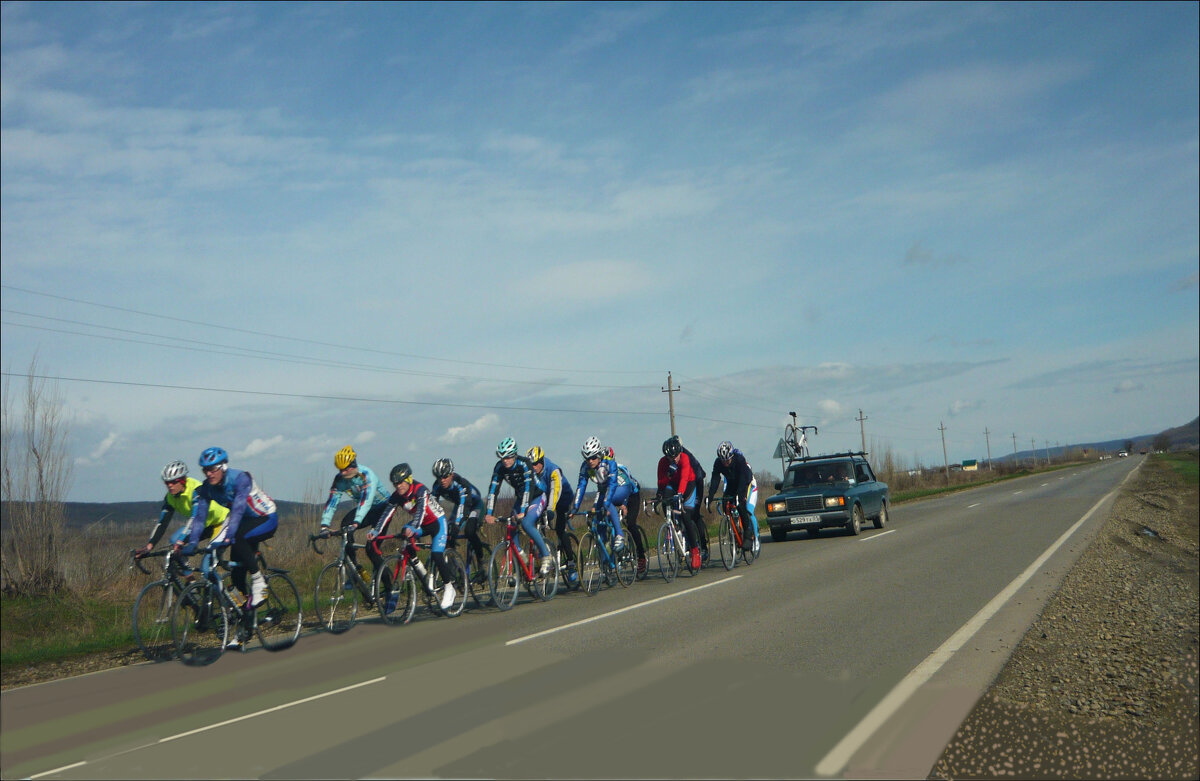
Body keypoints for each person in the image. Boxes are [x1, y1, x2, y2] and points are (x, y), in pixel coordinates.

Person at [175, 447, 278, 610]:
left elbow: (238, 510)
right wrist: (193, 543)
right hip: (244, 523)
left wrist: (229, 537)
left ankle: (259, 583)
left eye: (212, 469)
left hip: (266, 518)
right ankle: (244, 614)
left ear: (223, 467)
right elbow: (200, 518)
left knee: (237, 538)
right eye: (205, 470)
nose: (209, 474)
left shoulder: (240, 478)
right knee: (237, 572)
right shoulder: (207, 488)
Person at [381, 463, 457, 611]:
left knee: (436, 554)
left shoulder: (420, 489)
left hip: (437, 522)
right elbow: (386, 514)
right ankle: (421, 570)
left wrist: (414, 527)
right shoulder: (397, 496)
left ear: (408, 480)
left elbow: (421, 511)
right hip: (421, 523)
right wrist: (376, 532)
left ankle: (449, 588)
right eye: (395, 484)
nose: (398, 486)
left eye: (401, 482)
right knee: (405, 534)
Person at [316, 446, 390, 587]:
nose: (342, 473)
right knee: (345, 526)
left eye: (345, 469)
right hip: (367, 510)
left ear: (353, 466)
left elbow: (366, 501)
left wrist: (356, 523)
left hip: (383, 509)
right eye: (340, 470)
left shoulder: (367, 475)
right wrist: (324, 525)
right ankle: (356, 571)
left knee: (371, 549)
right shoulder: (340, 479)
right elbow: (332, 502)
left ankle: (389, 589)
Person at [571, 436, 646, 571]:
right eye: (587, 458)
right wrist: (575, 508)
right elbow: (581, 487)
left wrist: (617, 504)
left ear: (599, 455)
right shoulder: (586, 467)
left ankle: (620, 536)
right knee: (598, 519)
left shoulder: (609, 463)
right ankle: (606, 562)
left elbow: (611, 486)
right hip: (606, 491)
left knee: (611, 505)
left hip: (623, 488)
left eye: (593, 457)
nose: (590, 461)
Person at [483, 437, 552, 575]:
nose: (505, 461)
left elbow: (528, 487)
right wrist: (489, 513)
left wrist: (523, 511)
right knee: (511, 525)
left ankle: (546, 555)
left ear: (514, 455)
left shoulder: (524, 463)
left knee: (526, 523)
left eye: (508, 457)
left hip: (537, 496)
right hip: (521, 498)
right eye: (502, 458)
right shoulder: (499, 467)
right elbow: (493, 490)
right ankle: (521, 556)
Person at [136, 460, 229, 562]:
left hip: (220, 522)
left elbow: (195, 517)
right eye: (167, 482)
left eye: (173, 482)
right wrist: (150, 545)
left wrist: (181, 541)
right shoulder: (170, 498)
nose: (170, 485)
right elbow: (162, 523)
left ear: (183, 481)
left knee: (207, 564)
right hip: (203, 526)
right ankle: (186, 572)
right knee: (174, 542)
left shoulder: (197, 490)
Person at [430, 457, 489, 584]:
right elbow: (432, 508)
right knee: (447, 535)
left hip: (474, 505)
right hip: (460, 506)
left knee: (469, 531)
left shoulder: (460, 484)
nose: (442, 480)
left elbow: (464, 506)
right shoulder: (437, 486)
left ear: (451, 474)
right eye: (439, 477)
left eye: (445, 477)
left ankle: (482, 563)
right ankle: (457, 572)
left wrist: (457, 524)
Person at [527, 445, 578, 585]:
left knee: (560, 529)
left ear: (541, 461)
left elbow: (555, 491)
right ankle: (545, 555)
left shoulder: (553, 470)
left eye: (536, 464)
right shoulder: (531, 473)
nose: (533, 467)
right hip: (545, 498)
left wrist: (550, 509)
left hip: (563, 498)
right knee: (537, 525)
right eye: (531, 465)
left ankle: (571, 563)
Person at [657, 438, 703, 570]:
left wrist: (680, 494)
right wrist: (667, 477)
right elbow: (661, 482)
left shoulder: (684, 458)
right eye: (670, 457)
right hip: (673, 484)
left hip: (688, 484)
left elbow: (684, 478)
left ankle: (695, 551)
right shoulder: (663, 462)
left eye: (675, 456)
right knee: (666, 500)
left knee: (686, 516)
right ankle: (672, 526)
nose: (674, 459)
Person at [707, 440, 759, 553]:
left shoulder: (739, 460)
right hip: (732, 484)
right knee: (725, 504)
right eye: (723, 461)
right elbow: (715, 479)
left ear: (732, 456)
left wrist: (741, 495)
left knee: (742, 506)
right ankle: (734, 532)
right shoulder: (718, 463)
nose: (725, 463)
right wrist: (710, 495)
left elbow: (744, 479)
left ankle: (749, 534)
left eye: (727, 460)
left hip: (747, 482)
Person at [667, 435, 710, 562]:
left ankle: (703, 546)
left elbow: (689, 477)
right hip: (685, 484)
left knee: (694, 513)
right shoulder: (673, 456)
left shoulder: (686, 456)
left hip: (697, 482)